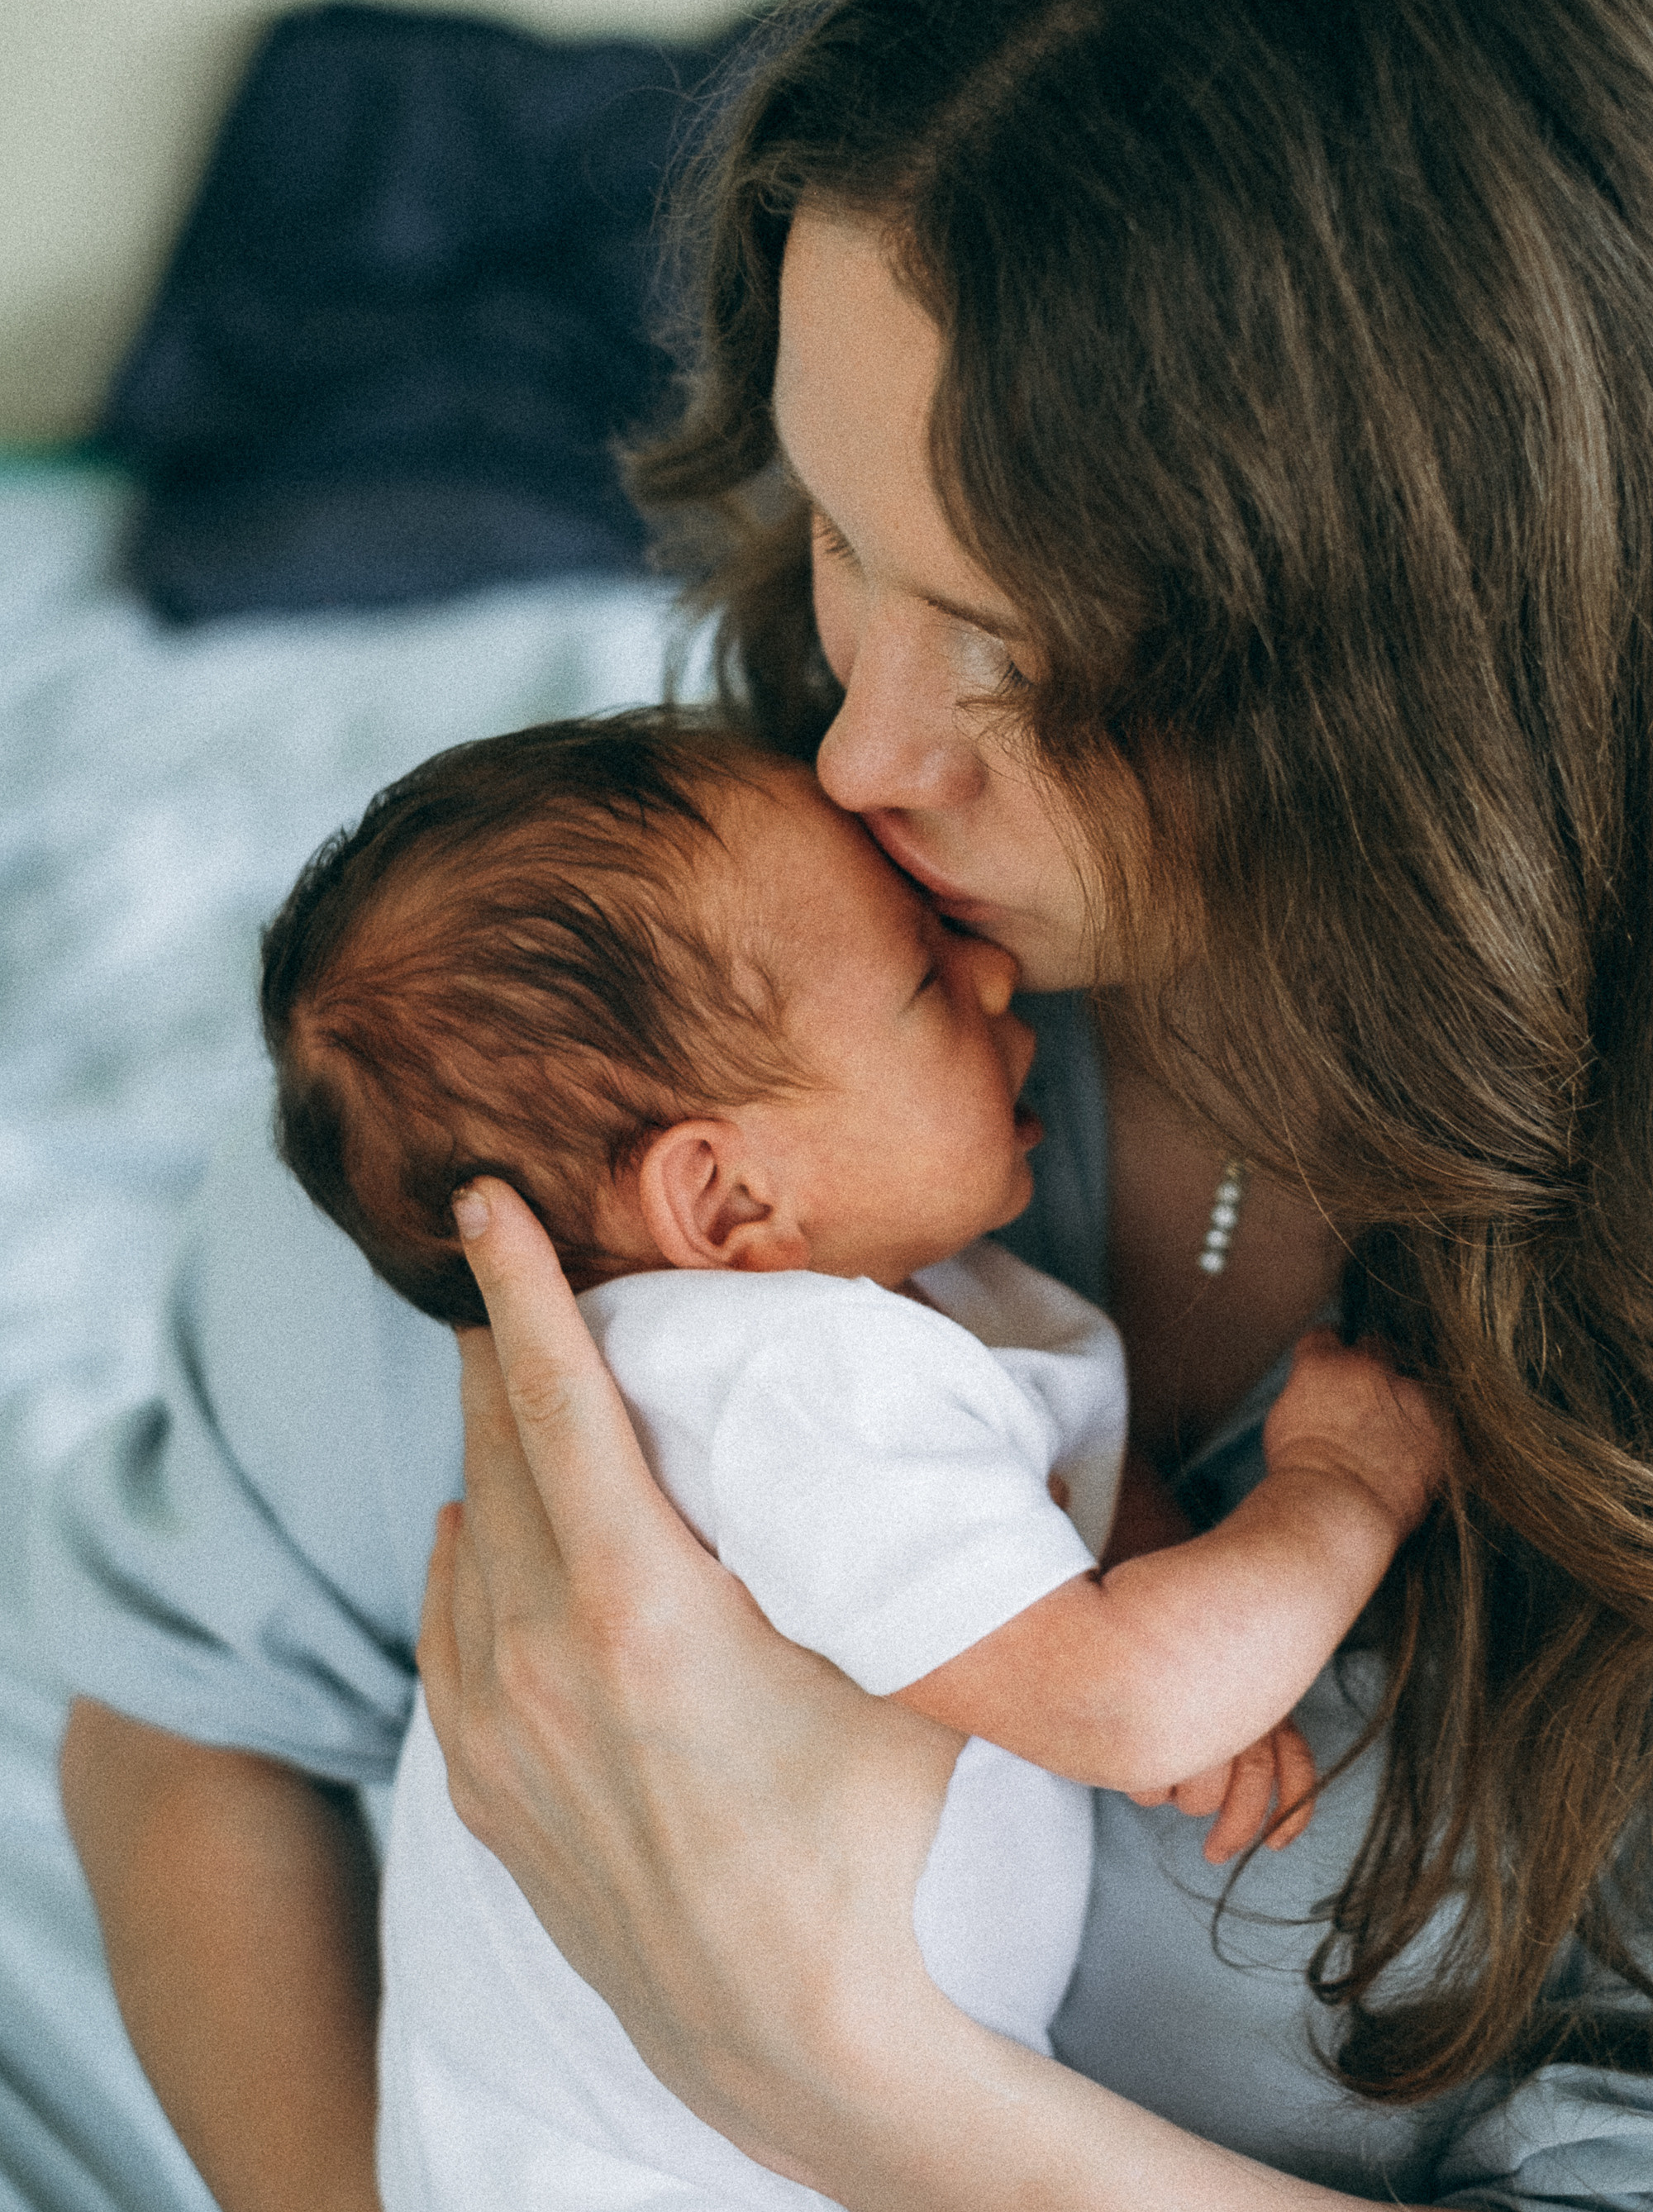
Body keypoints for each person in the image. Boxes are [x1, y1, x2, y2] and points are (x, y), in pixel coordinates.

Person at [46, 0, 1653, 2209]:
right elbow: (194, 1718)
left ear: (1424, 684)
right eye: (843, 541)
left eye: (1016, 651)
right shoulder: (631, 998)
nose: (865, 755)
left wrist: (832, 2077)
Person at [257, 707, 1436, 2206]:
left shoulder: (849, 1322)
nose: (994, 971)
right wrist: (1337, 1493)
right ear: (729, 1201)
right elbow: (1122, 1700)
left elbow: (1043, 1493)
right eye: (922, 985)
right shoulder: (787, 1382)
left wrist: (1172, 1602)